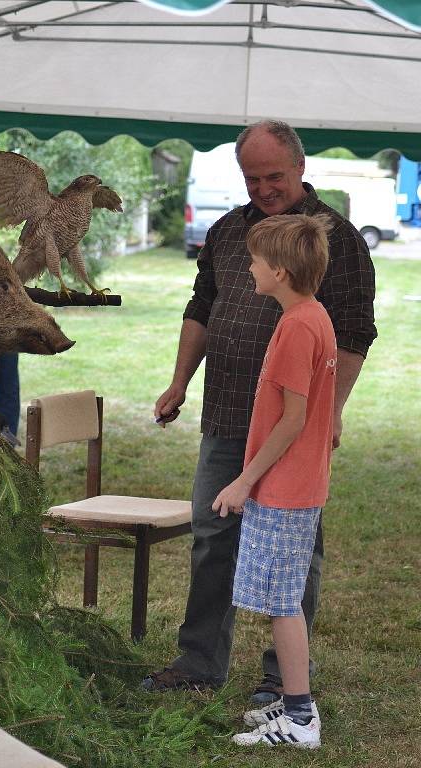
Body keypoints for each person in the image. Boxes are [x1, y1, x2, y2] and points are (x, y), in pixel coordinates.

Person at [143, 120, 376, 702]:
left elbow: (353, 333)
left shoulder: (335, 238)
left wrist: (334, 411)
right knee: (211, 534)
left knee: (296, 546)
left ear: (299, 167)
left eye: (274, 175)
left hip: (292, 427)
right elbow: (202, 307)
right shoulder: (227, 231)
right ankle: (199, 662)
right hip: (226, 411)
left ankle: (282, 678)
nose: (264, 187)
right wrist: (179, 382)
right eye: (253, 177)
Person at [213, 213, 335, 749]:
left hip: (284, 489)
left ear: (280, 271)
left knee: (283, 602)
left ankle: (301, 718)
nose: (250, 266)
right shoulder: (313, 316)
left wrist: (244, 481)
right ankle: (292, 706)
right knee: (281, 597)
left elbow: (293, 418)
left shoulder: (295, 327)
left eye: (256, 260)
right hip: (294, 485)